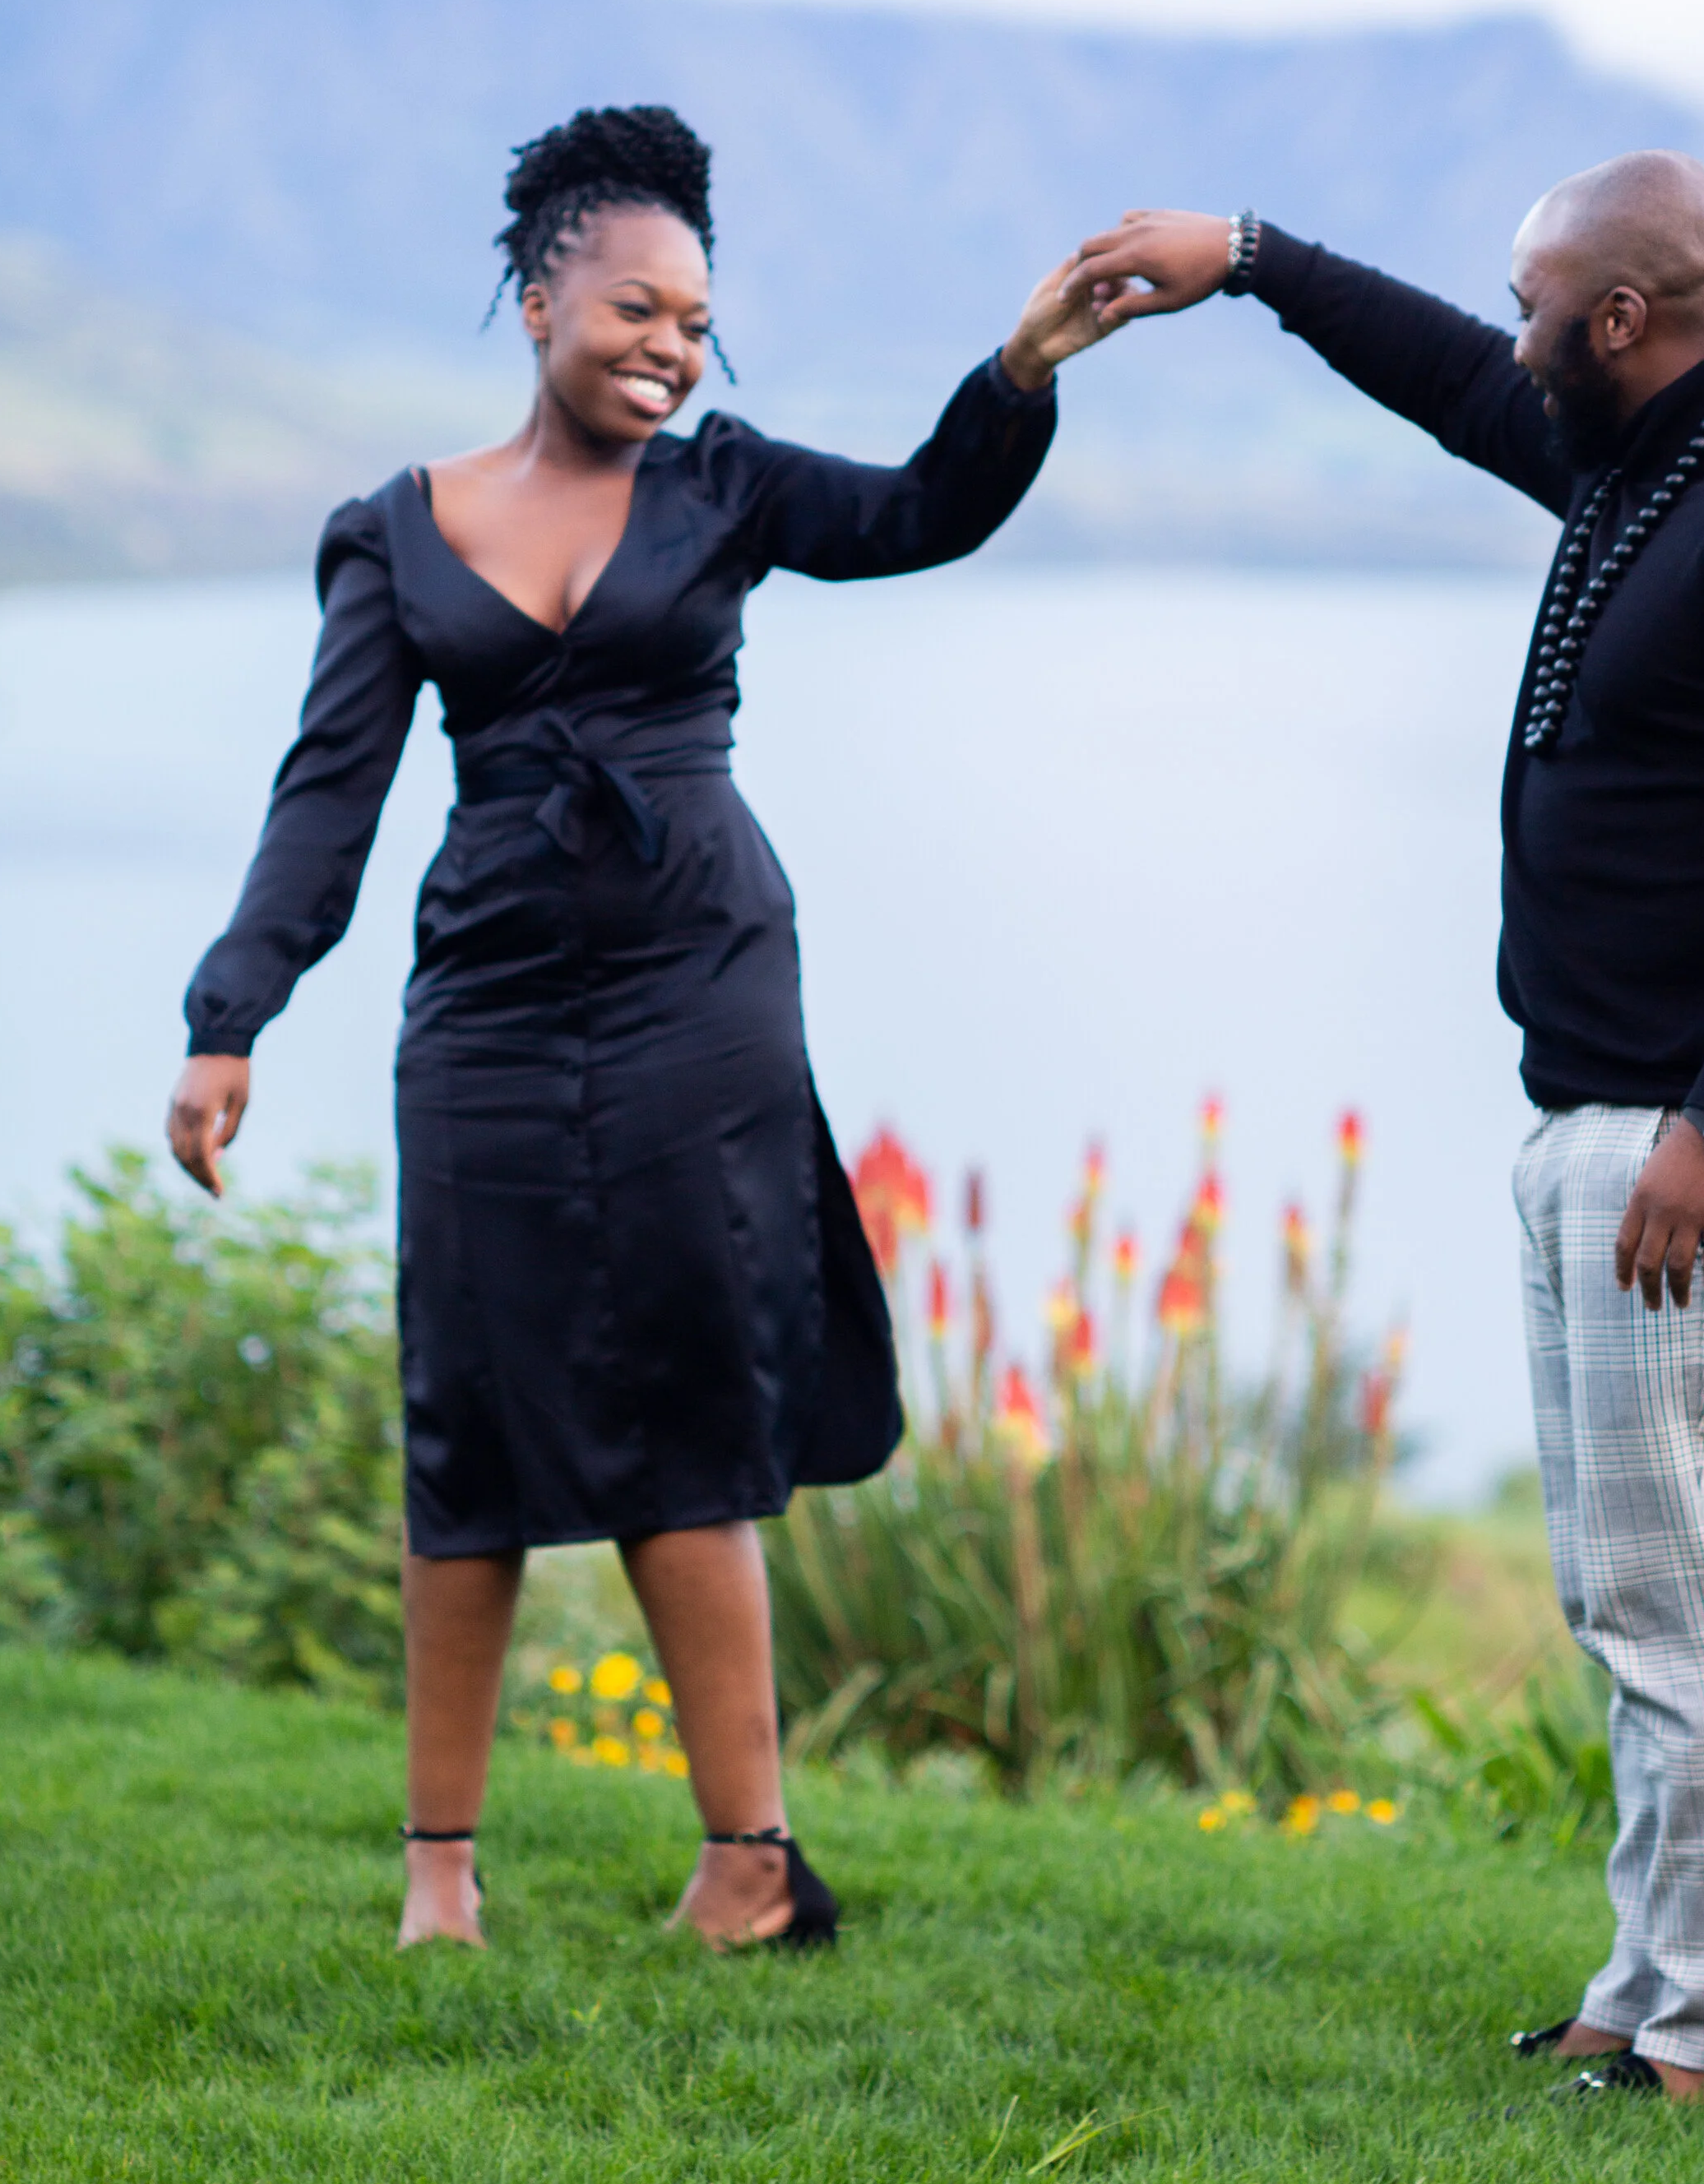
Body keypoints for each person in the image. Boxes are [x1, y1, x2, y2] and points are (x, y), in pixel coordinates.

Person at [169, 104, 1117, 1953]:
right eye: (635, 310)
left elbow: (923, 514)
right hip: (490, 1015)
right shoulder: (396, 532)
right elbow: (328, 799)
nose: (672, 349)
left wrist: (1016, 371)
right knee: (471, 1416)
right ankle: (437, 1873)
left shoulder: (731, 488)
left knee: (694, 1400)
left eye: (696, 320)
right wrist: (232, 1016)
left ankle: (747, 1868)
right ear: (537, 302)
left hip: (702, 995)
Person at [1071, 156, 1704, 2099]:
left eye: (1537, 306)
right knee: (1627, 1597)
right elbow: (1460, 382)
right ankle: (1646, 1993)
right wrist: (1261, 265)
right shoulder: (1646, 467)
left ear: (1619, 322)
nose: (1514, 336)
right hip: (1618, 1131)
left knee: (1692, 1600)